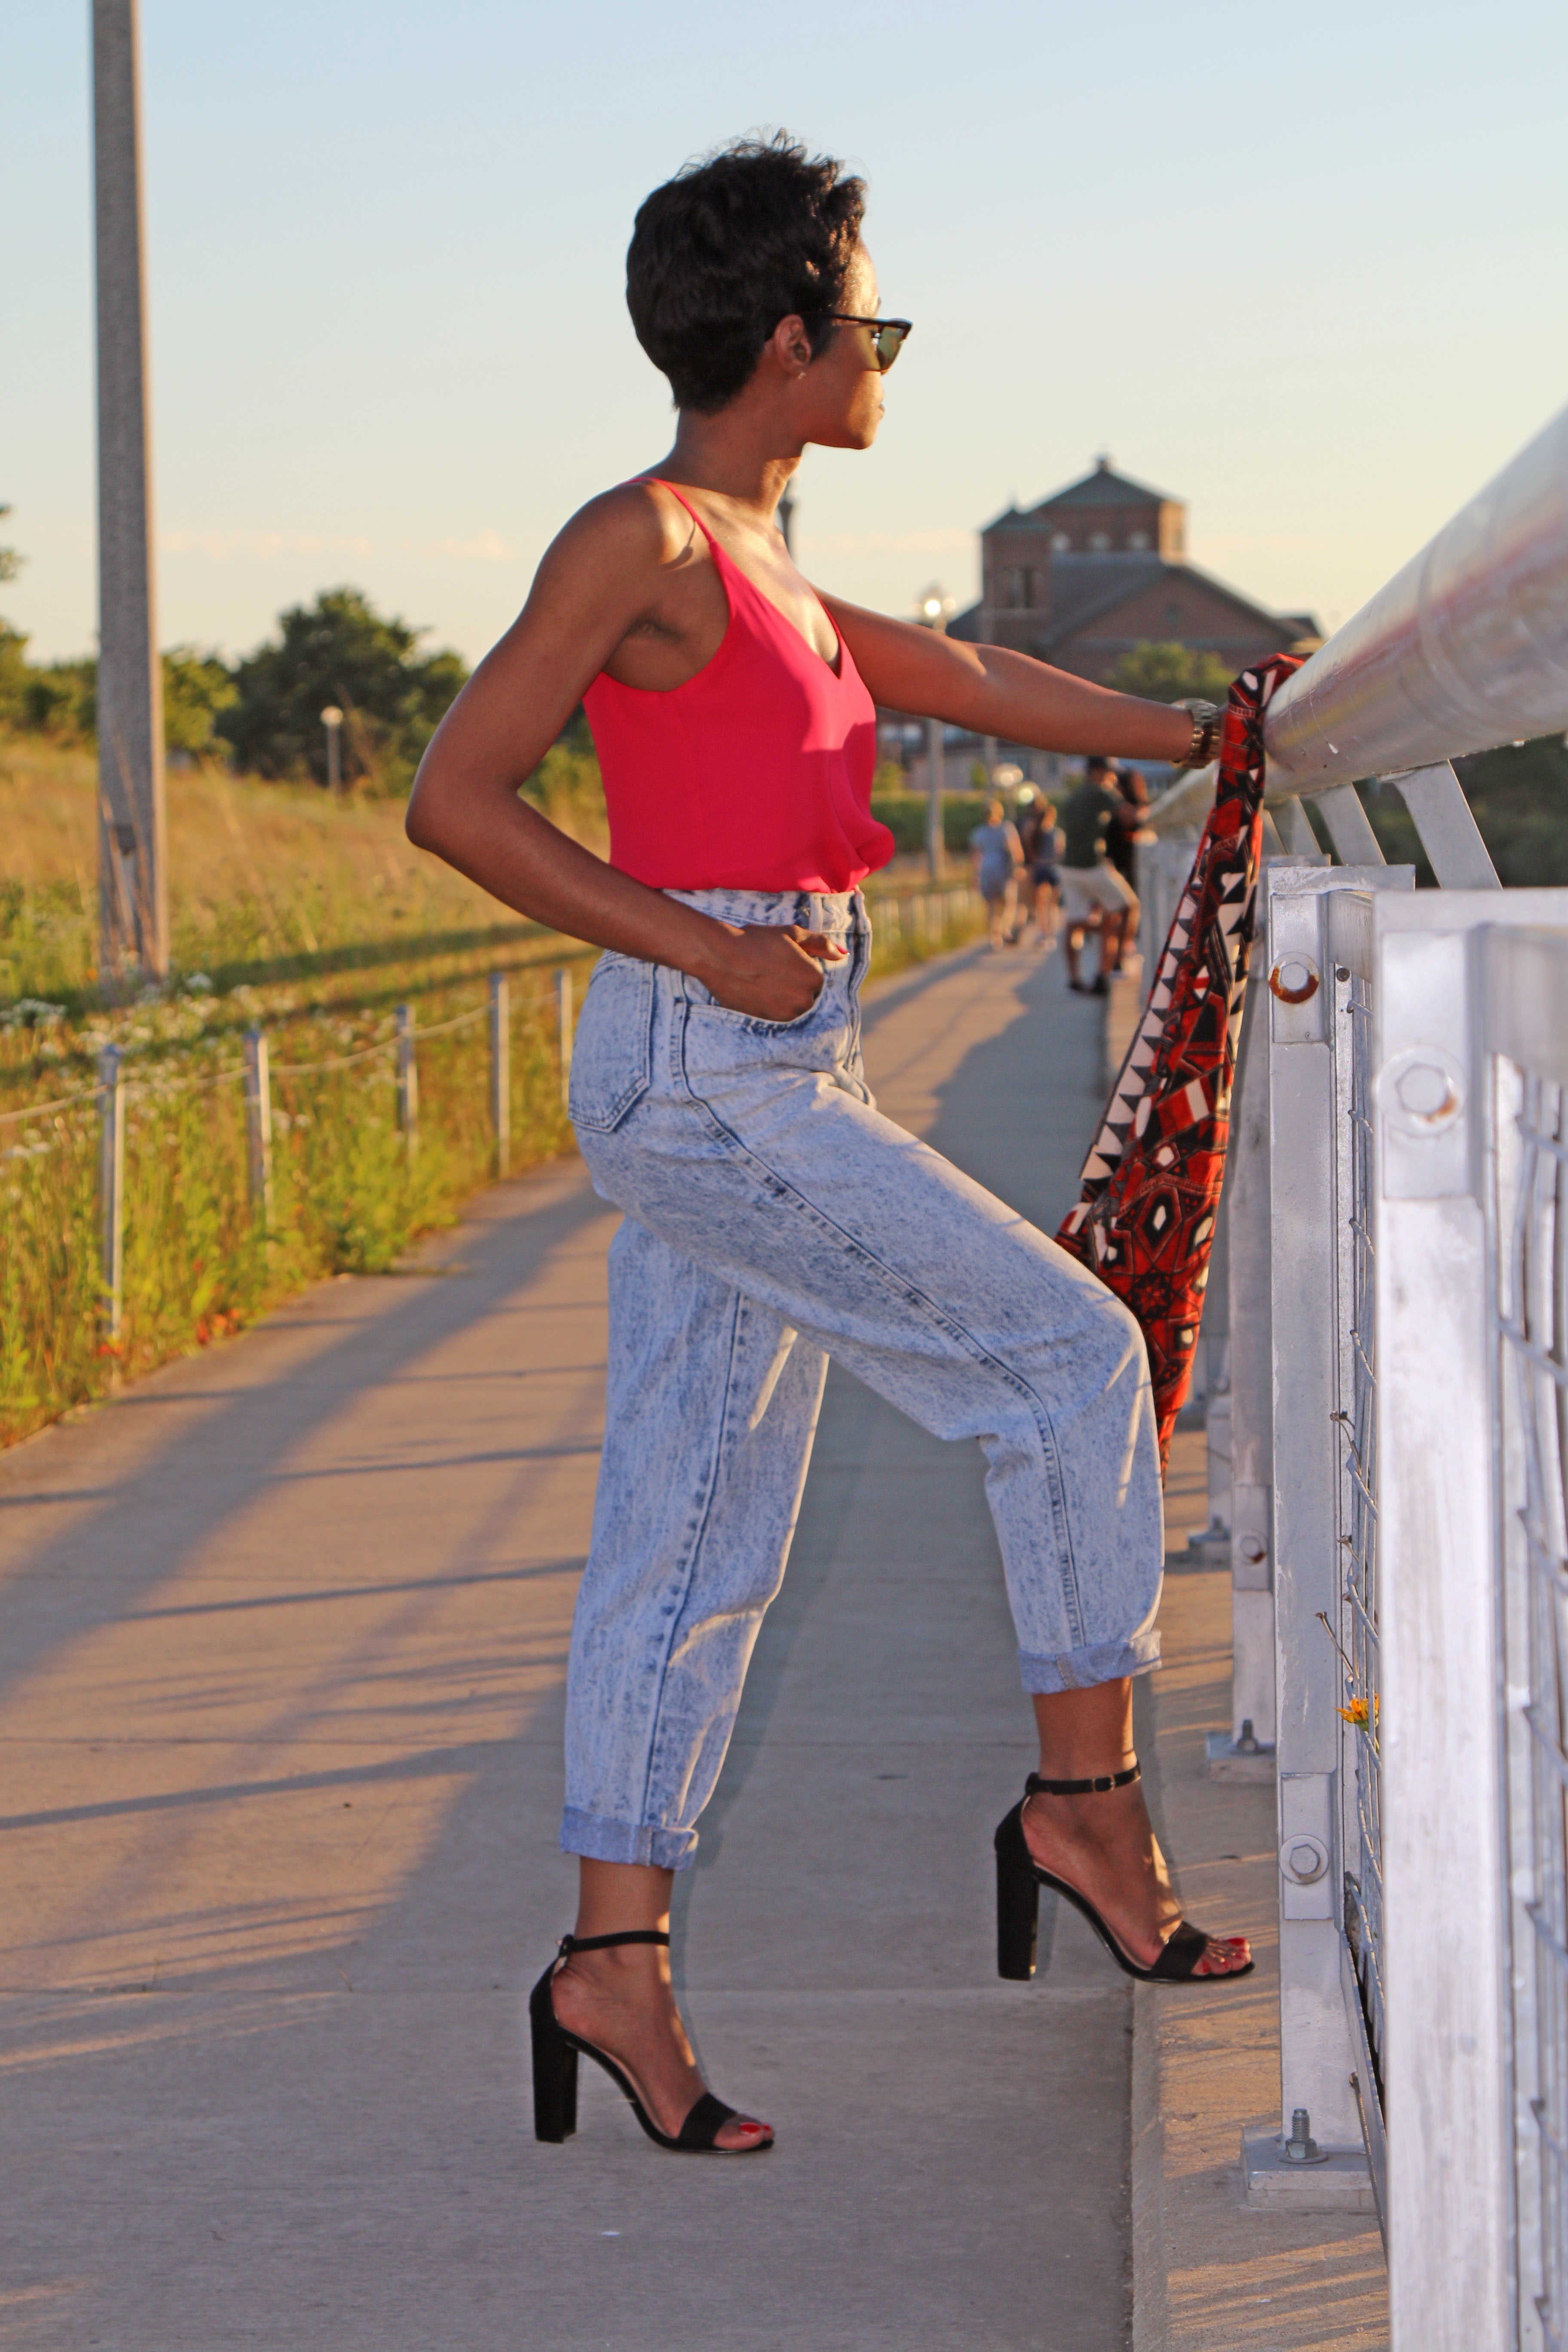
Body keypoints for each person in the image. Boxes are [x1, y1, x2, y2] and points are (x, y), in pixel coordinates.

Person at [404, 133, 1241, 2164]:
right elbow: (455, 794)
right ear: (787, 334)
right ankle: (1081, 1802)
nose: (883, 348)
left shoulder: (767, 559)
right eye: (867, 314)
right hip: (715, 1055)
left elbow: (972, 675)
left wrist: (1225, 726)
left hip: (775, 1044)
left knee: (690, 1521)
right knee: (1065, 1358)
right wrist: (705, 943)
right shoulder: (650, 542)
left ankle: (613, 1955)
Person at [1057, 755, 1142, 994]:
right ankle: (1114, 962)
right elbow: (1129, 818)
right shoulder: (1101, 792)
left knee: (1074, 922)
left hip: (1068, 866)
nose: (1112, 777)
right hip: (1092, 864)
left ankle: (1074, 978)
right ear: (1097, 772)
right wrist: (1144, 809)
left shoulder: (1073, 796)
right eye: (1109, 772)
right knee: (1128, 907)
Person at [969, 795, 1023, 947]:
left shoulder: (979, 832)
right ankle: (1005, 929)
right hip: (1003, 868)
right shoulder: (1006, 829)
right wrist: (1018, 867)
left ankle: (995, 936)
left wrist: (976, 875)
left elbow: (976, 856)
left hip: (986, 869)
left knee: (992, 905)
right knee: (1009, 903)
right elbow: (1015, 851)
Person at [1013, 785, 1062, 949]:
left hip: (1042, 867)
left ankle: (1045, 933)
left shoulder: (1037, 830)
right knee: (1049, 904)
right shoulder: (1053, 832)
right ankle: (1048, 933)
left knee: (1044, 904)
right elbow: (1060, 852)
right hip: (1049, 868)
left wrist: (1034, 859)